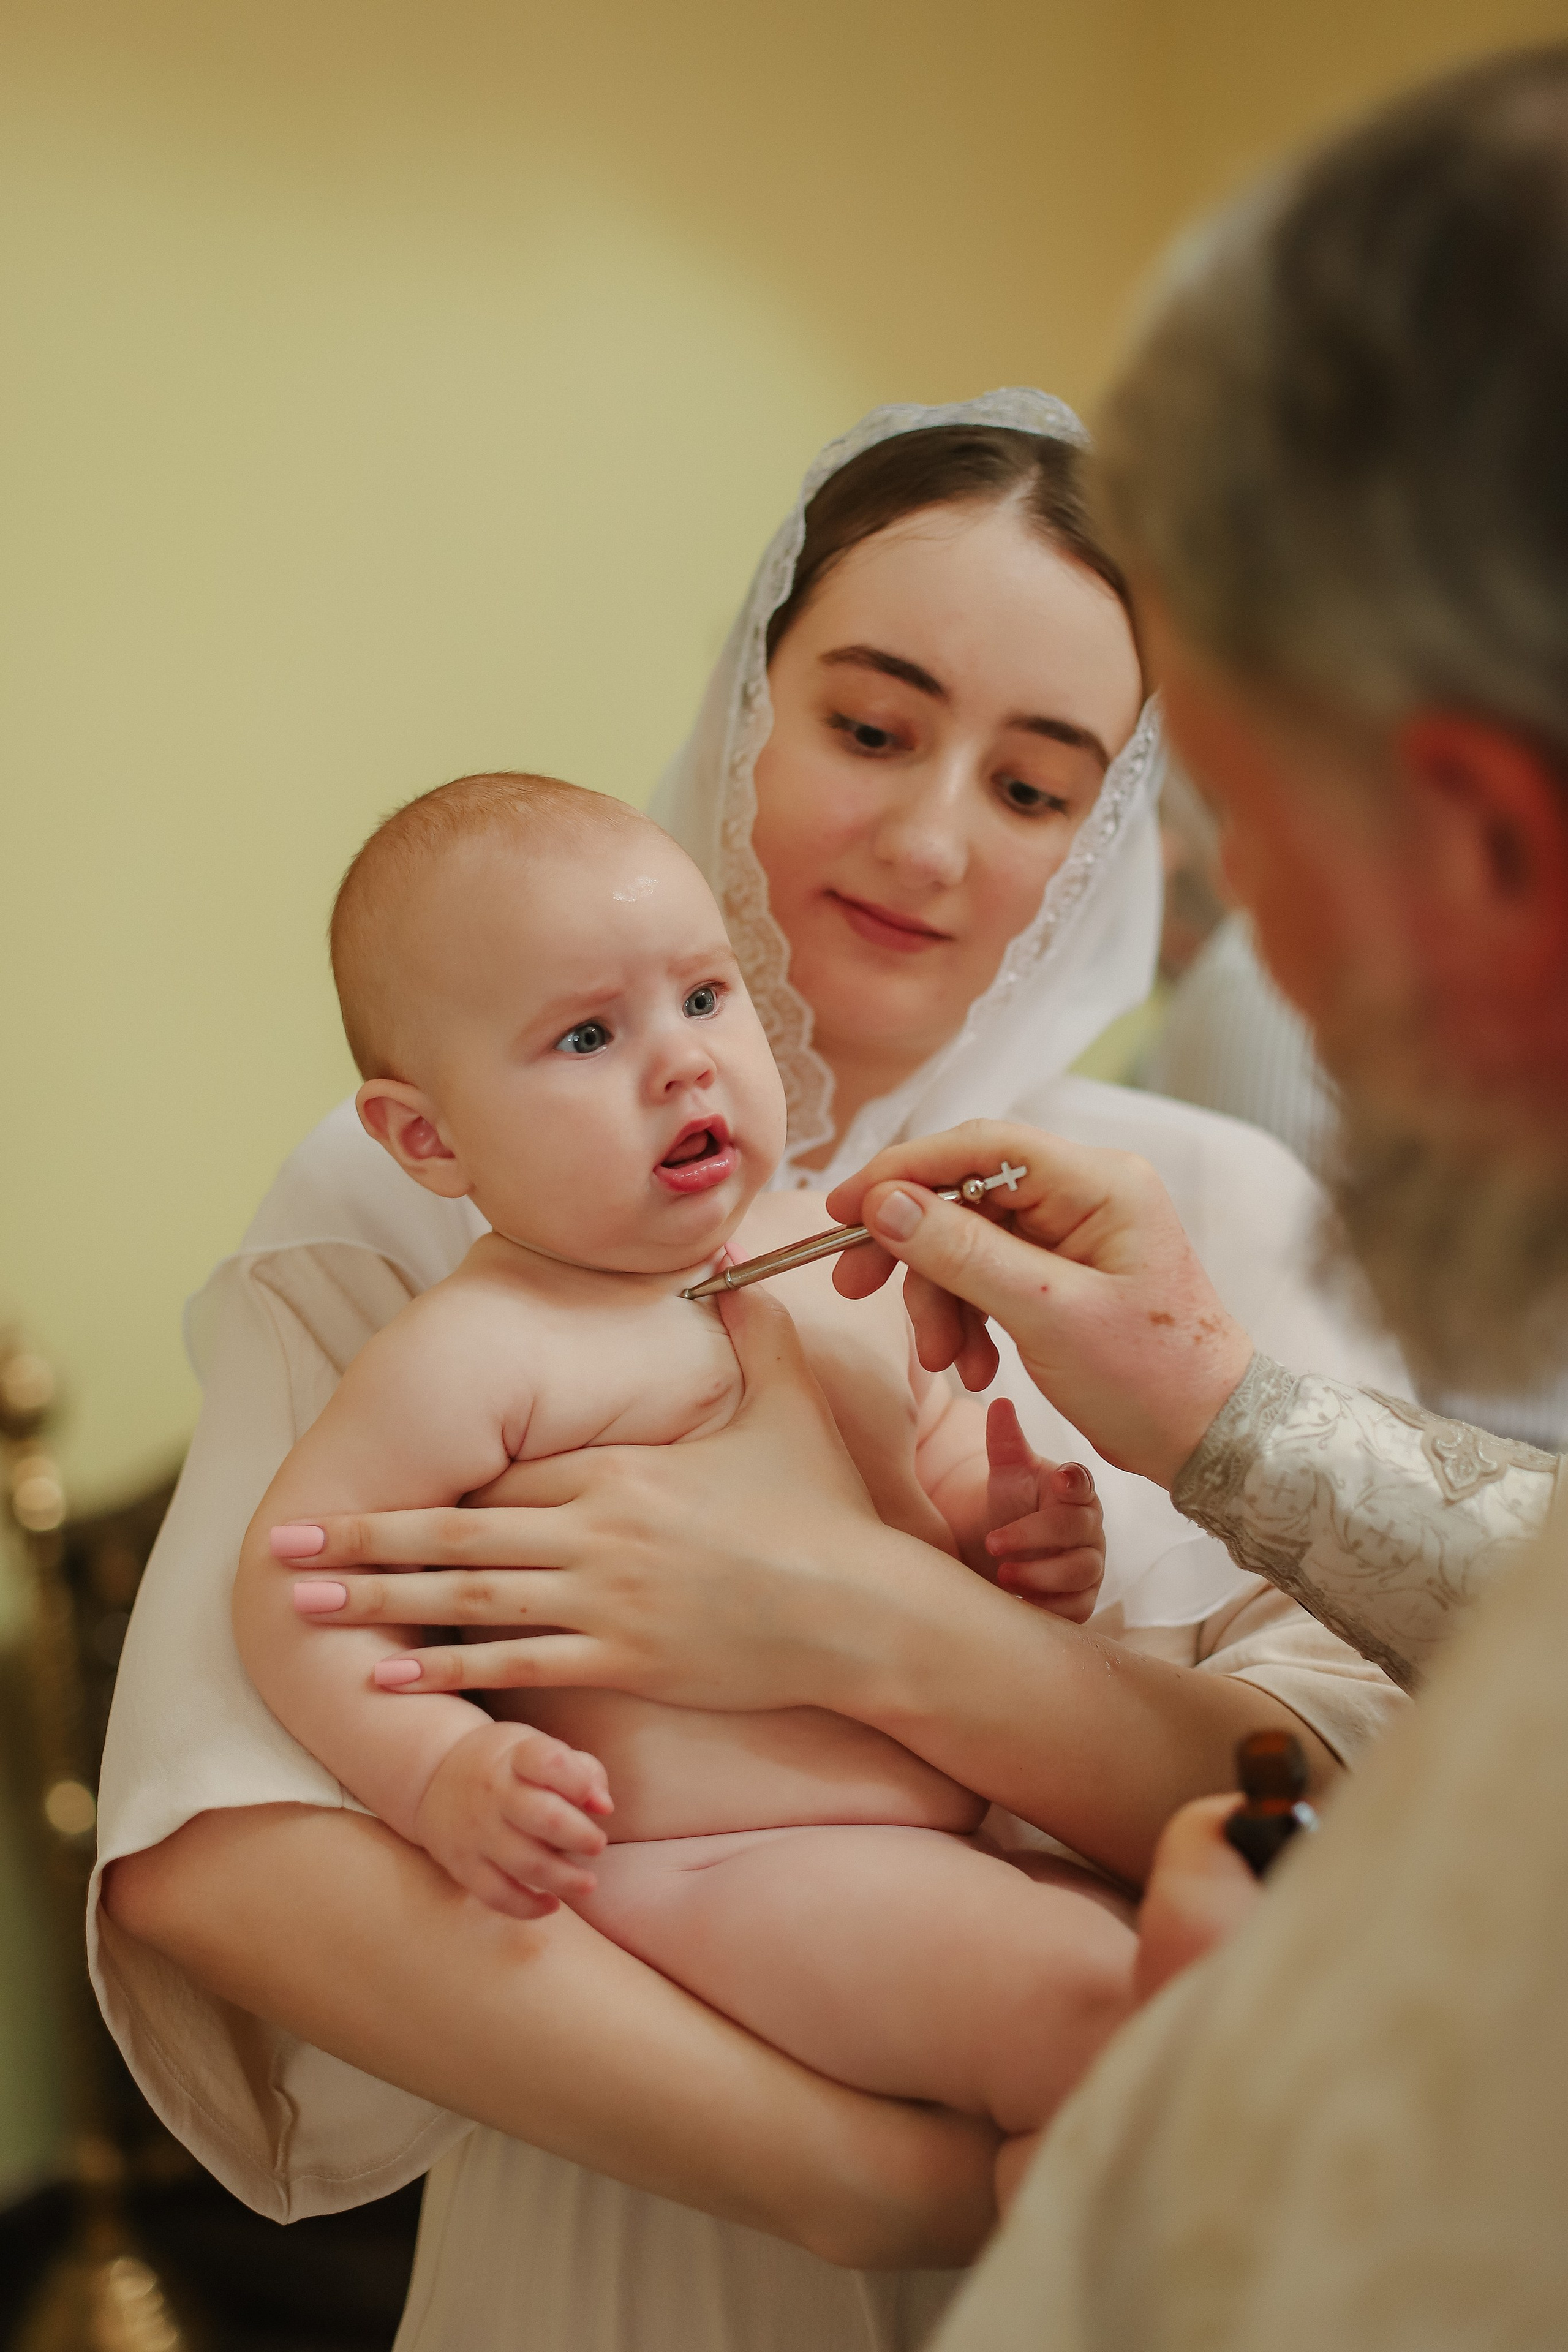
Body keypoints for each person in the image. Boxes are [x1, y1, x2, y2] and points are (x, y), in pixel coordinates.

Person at [97, 396, 1409, 2352]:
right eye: (871, 727)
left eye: (1040, 787)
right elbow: (220, 1852)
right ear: (749, 704)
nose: (932, 836)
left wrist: (885, 1616)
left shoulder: (1217, 1217)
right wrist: (858, 2177)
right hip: (640, 2245)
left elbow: (1367, 1829)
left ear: (1109, 837)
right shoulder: (416, 1204)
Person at [242, 769, 1137, 2203]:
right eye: (588, 1035)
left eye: (706, 999)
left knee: (1206, 1958)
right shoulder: (486, 1348)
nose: (682, 1065)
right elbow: (300, 1591)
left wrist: (1009, 1528)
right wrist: (443, 1773)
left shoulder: (826, 1249)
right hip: (733, 1872)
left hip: (955, 1830)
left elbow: (927, 1469)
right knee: (1103, 2011)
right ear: (429, 1140)